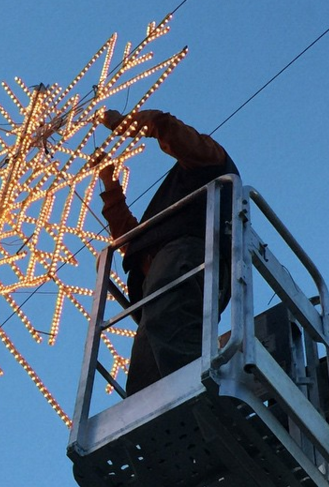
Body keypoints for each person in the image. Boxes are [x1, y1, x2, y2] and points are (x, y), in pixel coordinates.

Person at [97, 109, 239, 395]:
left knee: (169, 323)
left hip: (188, 258)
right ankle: (157, 417)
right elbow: (130, 238)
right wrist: (110, 184)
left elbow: (168, 128)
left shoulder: (210, 159)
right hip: (159, 284)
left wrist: (126, 124)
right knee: (144, 377)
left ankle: (203, 396)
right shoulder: (163, 223)